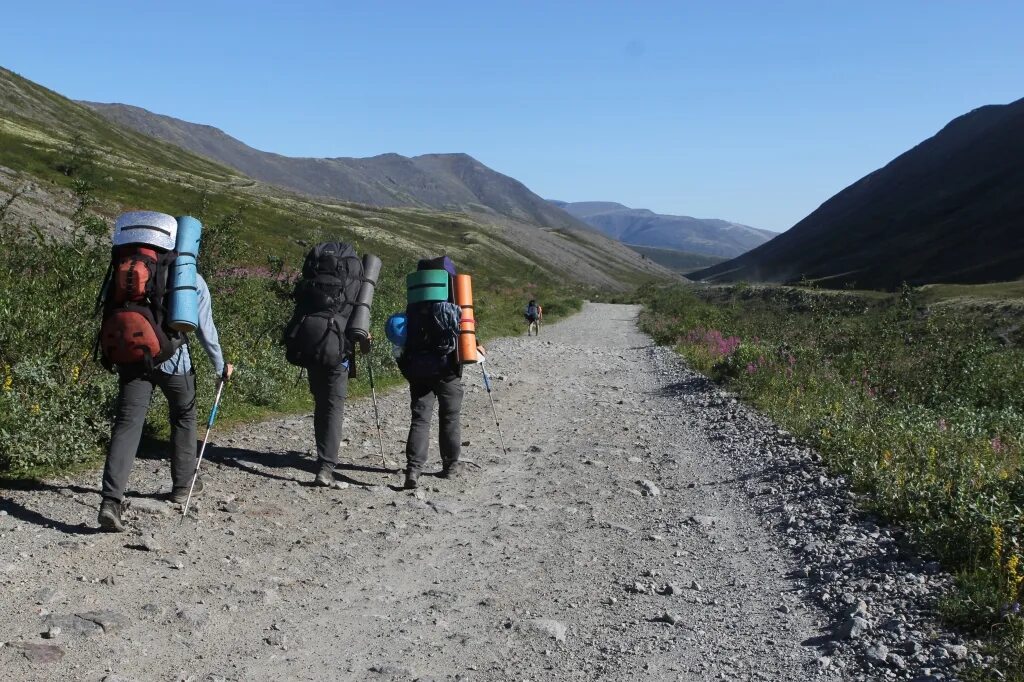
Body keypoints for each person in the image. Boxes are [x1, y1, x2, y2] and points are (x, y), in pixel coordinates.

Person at [98, 272, 232, 532]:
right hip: (174, 360)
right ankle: (183, 487)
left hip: (133, 356)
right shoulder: (189, 275)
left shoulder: (125, 271)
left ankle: (111, 501)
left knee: (127, 423)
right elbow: (204, 326)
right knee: (183, 415)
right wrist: (220, 365)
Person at [398, 256, 476, 490]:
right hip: (447, 369)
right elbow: (465, 332)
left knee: (420, 419)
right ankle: (451, 466)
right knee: (450, 417)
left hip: (418, 367)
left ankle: (413, 469)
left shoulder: (415, 302)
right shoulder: (454, 301)